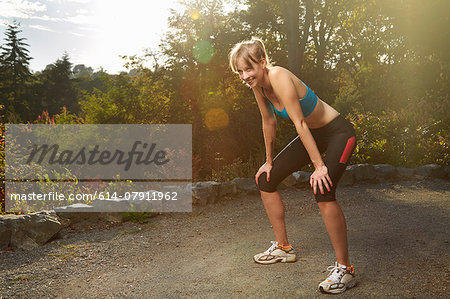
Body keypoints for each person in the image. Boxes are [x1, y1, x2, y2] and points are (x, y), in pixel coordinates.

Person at [228, 37, 358, 294]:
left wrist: (319, 166)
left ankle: (345, 269)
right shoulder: (259, 86)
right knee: (266, 180)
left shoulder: (278, 76)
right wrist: (268, 162)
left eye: (248, 69)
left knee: (323, 189)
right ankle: (283, 248)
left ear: (263, 62)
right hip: (313, 134)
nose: (244, 76)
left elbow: (300, 124)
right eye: (240, 71)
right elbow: (268, 122)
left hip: (337, 132)